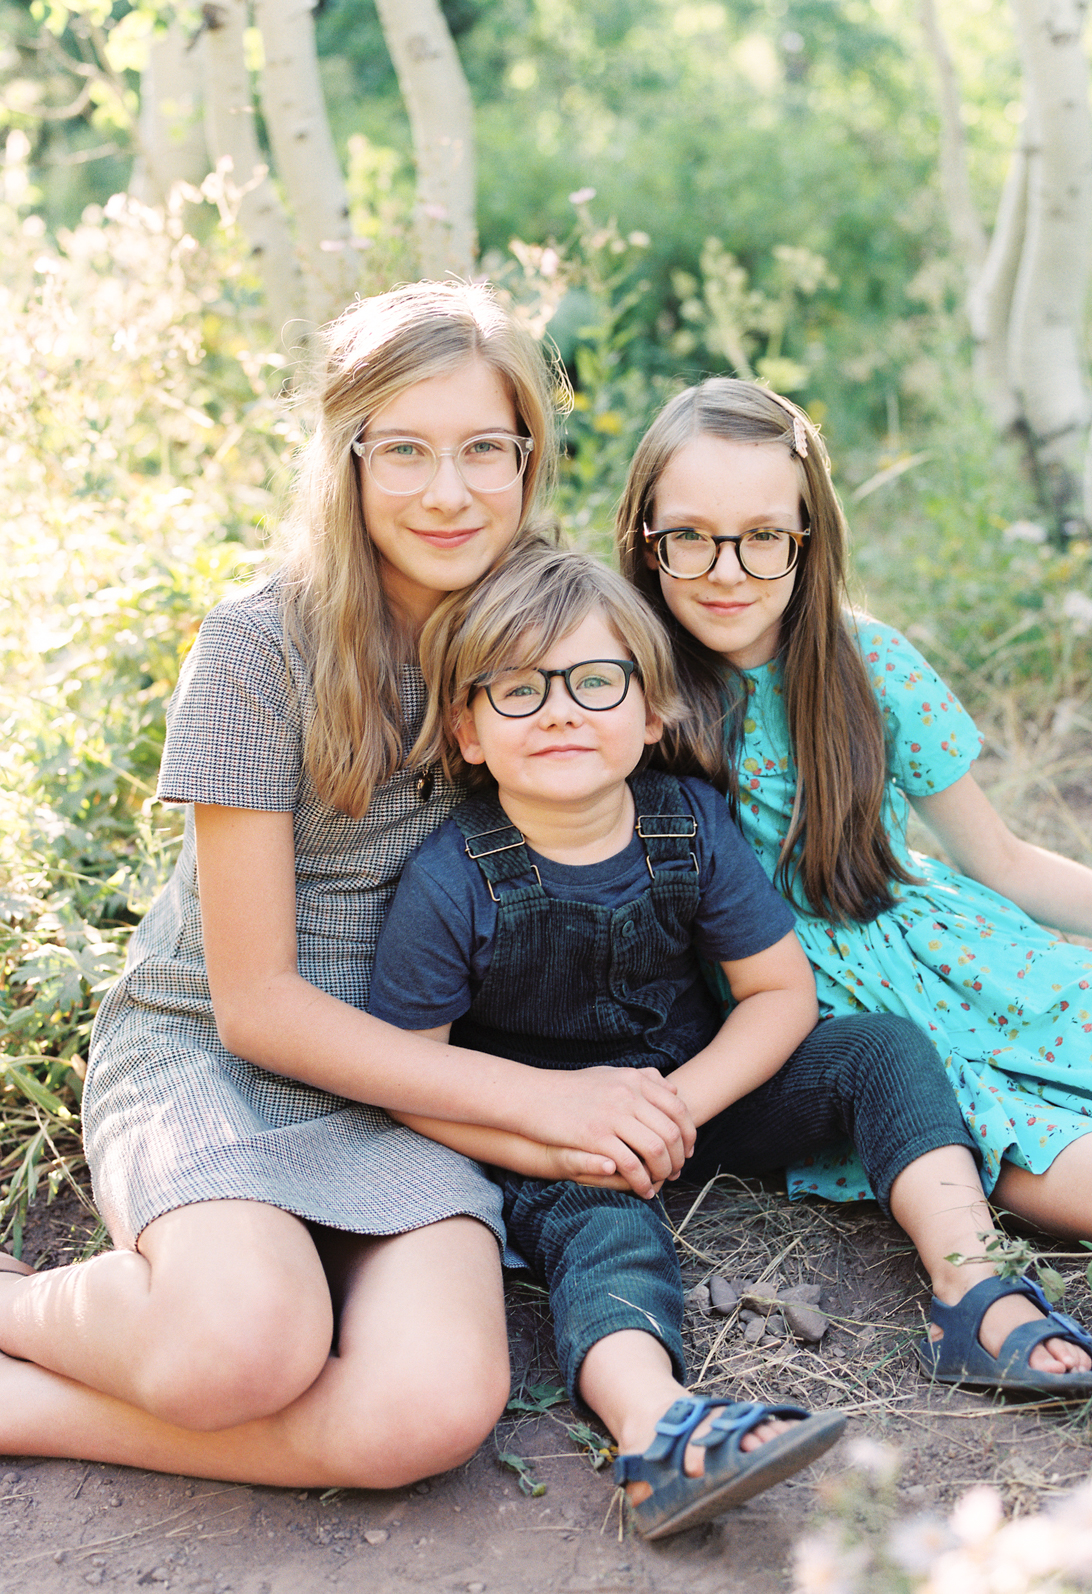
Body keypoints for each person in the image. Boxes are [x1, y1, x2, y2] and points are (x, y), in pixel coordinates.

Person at [0, 281, 697, 1488]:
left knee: (426, 1413)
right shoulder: (260, 645)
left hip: (405, 1081)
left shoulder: (544, 630)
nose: (448, 491)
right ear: (349, 459)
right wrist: (548, 1103)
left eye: (487, 449)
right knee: (239, 1347)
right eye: (406, 451)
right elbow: (254, 1003)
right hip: (211, 1057)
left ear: (530, 458)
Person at [369, 547, 1092, 1541]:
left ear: (653, 710)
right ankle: (657, 1427)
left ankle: (970, 1285)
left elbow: (777, 993)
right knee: (605, 1229)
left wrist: (680, 1106)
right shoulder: (452, 878)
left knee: (880, 1048)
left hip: (695, 1088)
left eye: (594, 681)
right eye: (516, 689)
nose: (559, 711)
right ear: (466, 728)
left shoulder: (688, 824)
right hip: (545, 1133)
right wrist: (558, 1144)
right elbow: (413, 1071)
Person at [616, 376, 1092, 1359]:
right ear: (643, 538)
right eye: (692, 536)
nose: (729, 569)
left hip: (977, 965)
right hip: (854, 1035)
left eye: (765, 536)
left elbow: (1004, 858)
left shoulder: (863, 662)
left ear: (809, 537)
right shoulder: (620, 692)